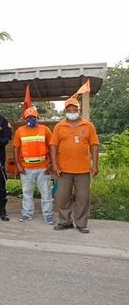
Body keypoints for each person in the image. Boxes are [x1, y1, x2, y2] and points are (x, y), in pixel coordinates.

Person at [49, 97, 99, 233]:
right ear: (65, 110)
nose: (72, 112)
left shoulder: (88, 126)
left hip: (83, 169)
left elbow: (94, 145)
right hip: (63, 170)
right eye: (69, 110)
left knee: (83, 197)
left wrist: (95, 165)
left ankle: (81, 223)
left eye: (74, 109)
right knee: (62, 196)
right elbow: (53, 146)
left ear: (79, 110)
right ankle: (65, 222)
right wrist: (54, 165)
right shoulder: (59, 126)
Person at [12, 107, 55, 224]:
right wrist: (18, 165)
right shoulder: (19, 131)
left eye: (33, 117)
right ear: (24, 119)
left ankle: (48, 215)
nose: (31, 119)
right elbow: (16, 148)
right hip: (26, 169)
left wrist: (51, 163)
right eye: (28, 117)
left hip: (43, 168)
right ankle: (27, 213)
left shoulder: (45, 130)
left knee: (46, 193)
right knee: (27, 193)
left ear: (37, 118)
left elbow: (51, 147)